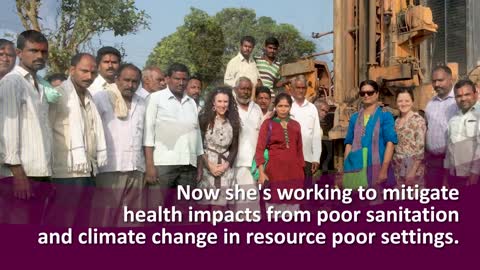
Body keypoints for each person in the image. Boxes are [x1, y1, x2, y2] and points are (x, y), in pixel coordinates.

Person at [0, 30, 53, 224]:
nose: (40, 56)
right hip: (21, 175)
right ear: (20, 53)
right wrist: (18, 175)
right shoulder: (12, 81)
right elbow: (8, 130)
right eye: (34, 51)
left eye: (43, 52)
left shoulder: (37, 84)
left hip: (40, 171)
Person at [47, 53, 107, 226]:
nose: (89, 77)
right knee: (62, 222)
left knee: (82, 221)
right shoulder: (58, 96)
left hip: (88, 169)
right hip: (65, 171)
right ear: (72, 70)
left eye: (93, 72)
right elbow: (47, 129)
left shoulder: (90, 98)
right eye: (84, 71)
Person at [143, 63, 203, 208]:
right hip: (163, 164)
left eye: (184, 79)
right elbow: (148, 133)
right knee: (156, 210)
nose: (181, 83)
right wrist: (150, 165)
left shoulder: (192, 103)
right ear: (168, 78)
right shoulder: (155, 98)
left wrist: (199, 165)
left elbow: (197, 135)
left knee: (183, 211)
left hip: (189, 165)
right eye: (177, 79)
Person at [93, 63, 146, 226]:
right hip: (110, 167)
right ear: (117, 79)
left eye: (135, 82)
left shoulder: (142, 103)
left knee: (132, 218)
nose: (130, 85)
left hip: (136, 167)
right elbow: (92, 130)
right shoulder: (101, 98)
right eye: (126, 80)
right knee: (105, 217)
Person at [342, 80, 398, 190]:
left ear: (377, 94)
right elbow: (349, 143)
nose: (366, 95)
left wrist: (384, 170)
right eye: (362, 93)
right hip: (357, 167)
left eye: (370, 92)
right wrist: (347, 168)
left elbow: (390, 143)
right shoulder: (354, 118)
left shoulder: (385, 116)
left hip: (377, 167)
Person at [255, 93, 304, 212]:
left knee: (292, 211)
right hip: (274, 173)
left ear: (290, 107)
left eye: (286, 106)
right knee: (274, 209)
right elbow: (259, 149)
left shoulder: (296, 125)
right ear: (275, 107)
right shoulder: (267, 124)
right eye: (280, 106)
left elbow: (299, 151)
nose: (283, 109)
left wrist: (301, 173)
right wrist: (261, 173)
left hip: (294, 173)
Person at [197, 87, 240, 208]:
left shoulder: (234, 121)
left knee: (220, 208)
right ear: (213, 102)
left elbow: (235, 148)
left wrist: (225, 165)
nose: (222, 105)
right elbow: (198, 144)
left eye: (225, 101)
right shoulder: (204, 119)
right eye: (219, 101)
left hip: (225, 168)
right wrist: (209, 165)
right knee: (203, 209)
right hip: (207, 166)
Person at [424, 66, 458, 188]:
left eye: (440, 80)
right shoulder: (430, 103)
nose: (436, 84)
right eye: (434, 81)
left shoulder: (458, 101)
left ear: (450, 79)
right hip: (433, 161)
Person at [233, 77, 263, 212]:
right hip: (235, 162)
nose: (245, 92)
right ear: (235, 90)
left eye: (248, 89)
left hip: (254, 163)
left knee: (252, 202)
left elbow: (262, 133)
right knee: (238, 203)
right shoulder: (230, 107)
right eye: (242, 88)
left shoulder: (256, 108)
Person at [445, 79, 480, 188]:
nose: (463, 98)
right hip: (454, 176)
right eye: (459, 96)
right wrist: (446, 177)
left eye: (467, 94)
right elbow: (449, 149)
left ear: (475, 94)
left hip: (474, 178)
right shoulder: (453, 119)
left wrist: (475, 174)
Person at [290, 75, 322, 182]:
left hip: (306, 158)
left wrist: (316, 158)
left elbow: (316, 135)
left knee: (304, 193)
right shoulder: (285, 105)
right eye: (298, 88)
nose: (301, 90)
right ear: (292, 89)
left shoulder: (312, 108)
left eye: (303, 88)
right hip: (288, 158)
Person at [392, 88, 426, 188]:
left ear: (412, 101)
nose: (403, 104)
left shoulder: (418, 120)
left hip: (413, 167)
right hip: (398, 168)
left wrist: (412, 171)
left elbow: (420, 148)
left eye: (407, 101)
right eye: (400, 101)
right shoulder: (396, 121)